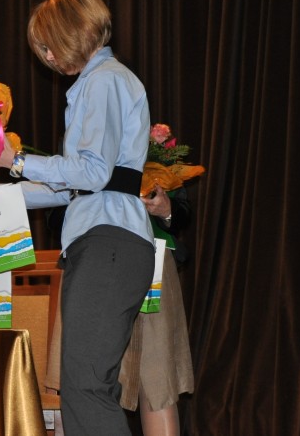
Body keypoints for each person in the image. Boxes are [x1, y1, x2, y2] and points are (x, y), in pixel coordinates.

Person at [0, 0, 154, 435]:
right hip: (105, 239)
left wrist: (15, 160)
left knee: (86, 387)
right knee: (84, 385)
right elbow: (77, 186)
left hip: (109, 242)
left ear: (73, 31)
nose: (48, 58)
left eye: (48, 46)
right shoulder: (98, 83)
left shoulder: (104, 81)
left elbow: (90, 173)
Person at [119, 183, 194, 436]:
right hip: (92, 261)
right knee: (86, 376)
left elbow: (182, 213)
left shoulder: (159, 160)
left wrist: (167, 210)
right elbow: (56, 215)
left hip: (153, 262)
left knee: (156, 376)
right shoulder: (77, 156)